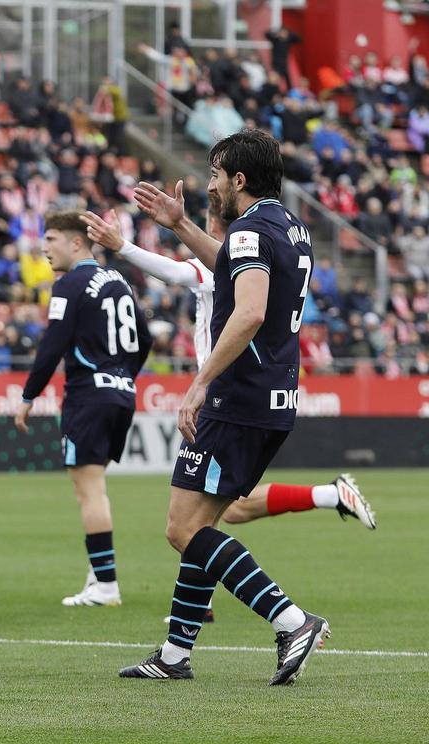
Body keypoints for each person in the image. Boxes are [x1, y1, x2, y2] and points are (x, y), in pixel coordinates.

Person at [121, 129, 330, 684]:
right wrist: (183, 226)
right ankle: (174, 655)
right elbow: (233, 272)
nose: (210, 184)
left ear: (238, 179)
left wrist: (199, 382)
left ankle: (290, 619)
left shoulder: (249, 230)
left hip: (237, 398)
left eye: (214, 175)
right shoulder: (286, 226)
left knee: (182, 528)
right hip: (273, 396)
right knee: (205, 524)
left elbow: (249, 310)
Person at [81, 201, 376, 540]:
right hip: (251, 386)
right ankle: (329, 495)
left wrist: (122, 246)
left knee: (187, 527)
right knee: (223, 512)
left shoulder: (223, 262)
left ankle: (269, 592)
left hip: (222, 392)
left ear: (213, 223)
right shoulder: (261, 257)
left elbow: (173, 271)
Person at [14, 212, 152, 608]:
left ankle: (106, 585)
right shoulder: (119, 281)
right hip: (122, 394)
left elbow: (53, 344)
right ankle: (98, 574)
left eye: (53, 239)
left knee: (88, 490)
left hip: (88, 395)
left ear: (77, 243)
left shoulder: (69, 284)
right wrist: (124, 375)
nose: (45, 248)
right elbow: (143, 338)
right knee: (97, 486)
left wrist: (28, 398)